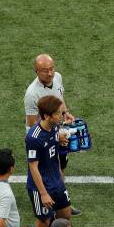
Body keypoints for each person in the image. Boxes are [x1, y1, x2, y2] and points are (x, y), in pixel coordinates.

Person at [24, 53, 81, 215]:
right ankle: (46, 198)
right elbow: (32, 122)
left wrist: (65, 113)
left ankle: (62, 201)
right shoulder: (31, 94)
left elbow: (59, 98)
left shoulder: (57, 77)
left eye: (51, 69)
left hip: (55, 129)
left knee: (60, 165)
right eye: (44, 70)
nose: (50, 73)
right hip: (40, 139)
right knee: (44, 169)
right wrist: (53, 136)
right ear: (36, 71)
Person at [22, 95, 73, 227]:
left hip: (56, 182)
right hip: (40, 187)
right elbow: (33, 167)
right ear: (46, 116)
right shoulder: (34, 137)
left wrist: (60, 139)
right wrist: (43, 193)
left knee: (65, 216)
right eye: (57, 113)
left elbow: (52, 145)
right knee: (44, 223)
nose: (61, 116)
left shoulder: (54, 127)